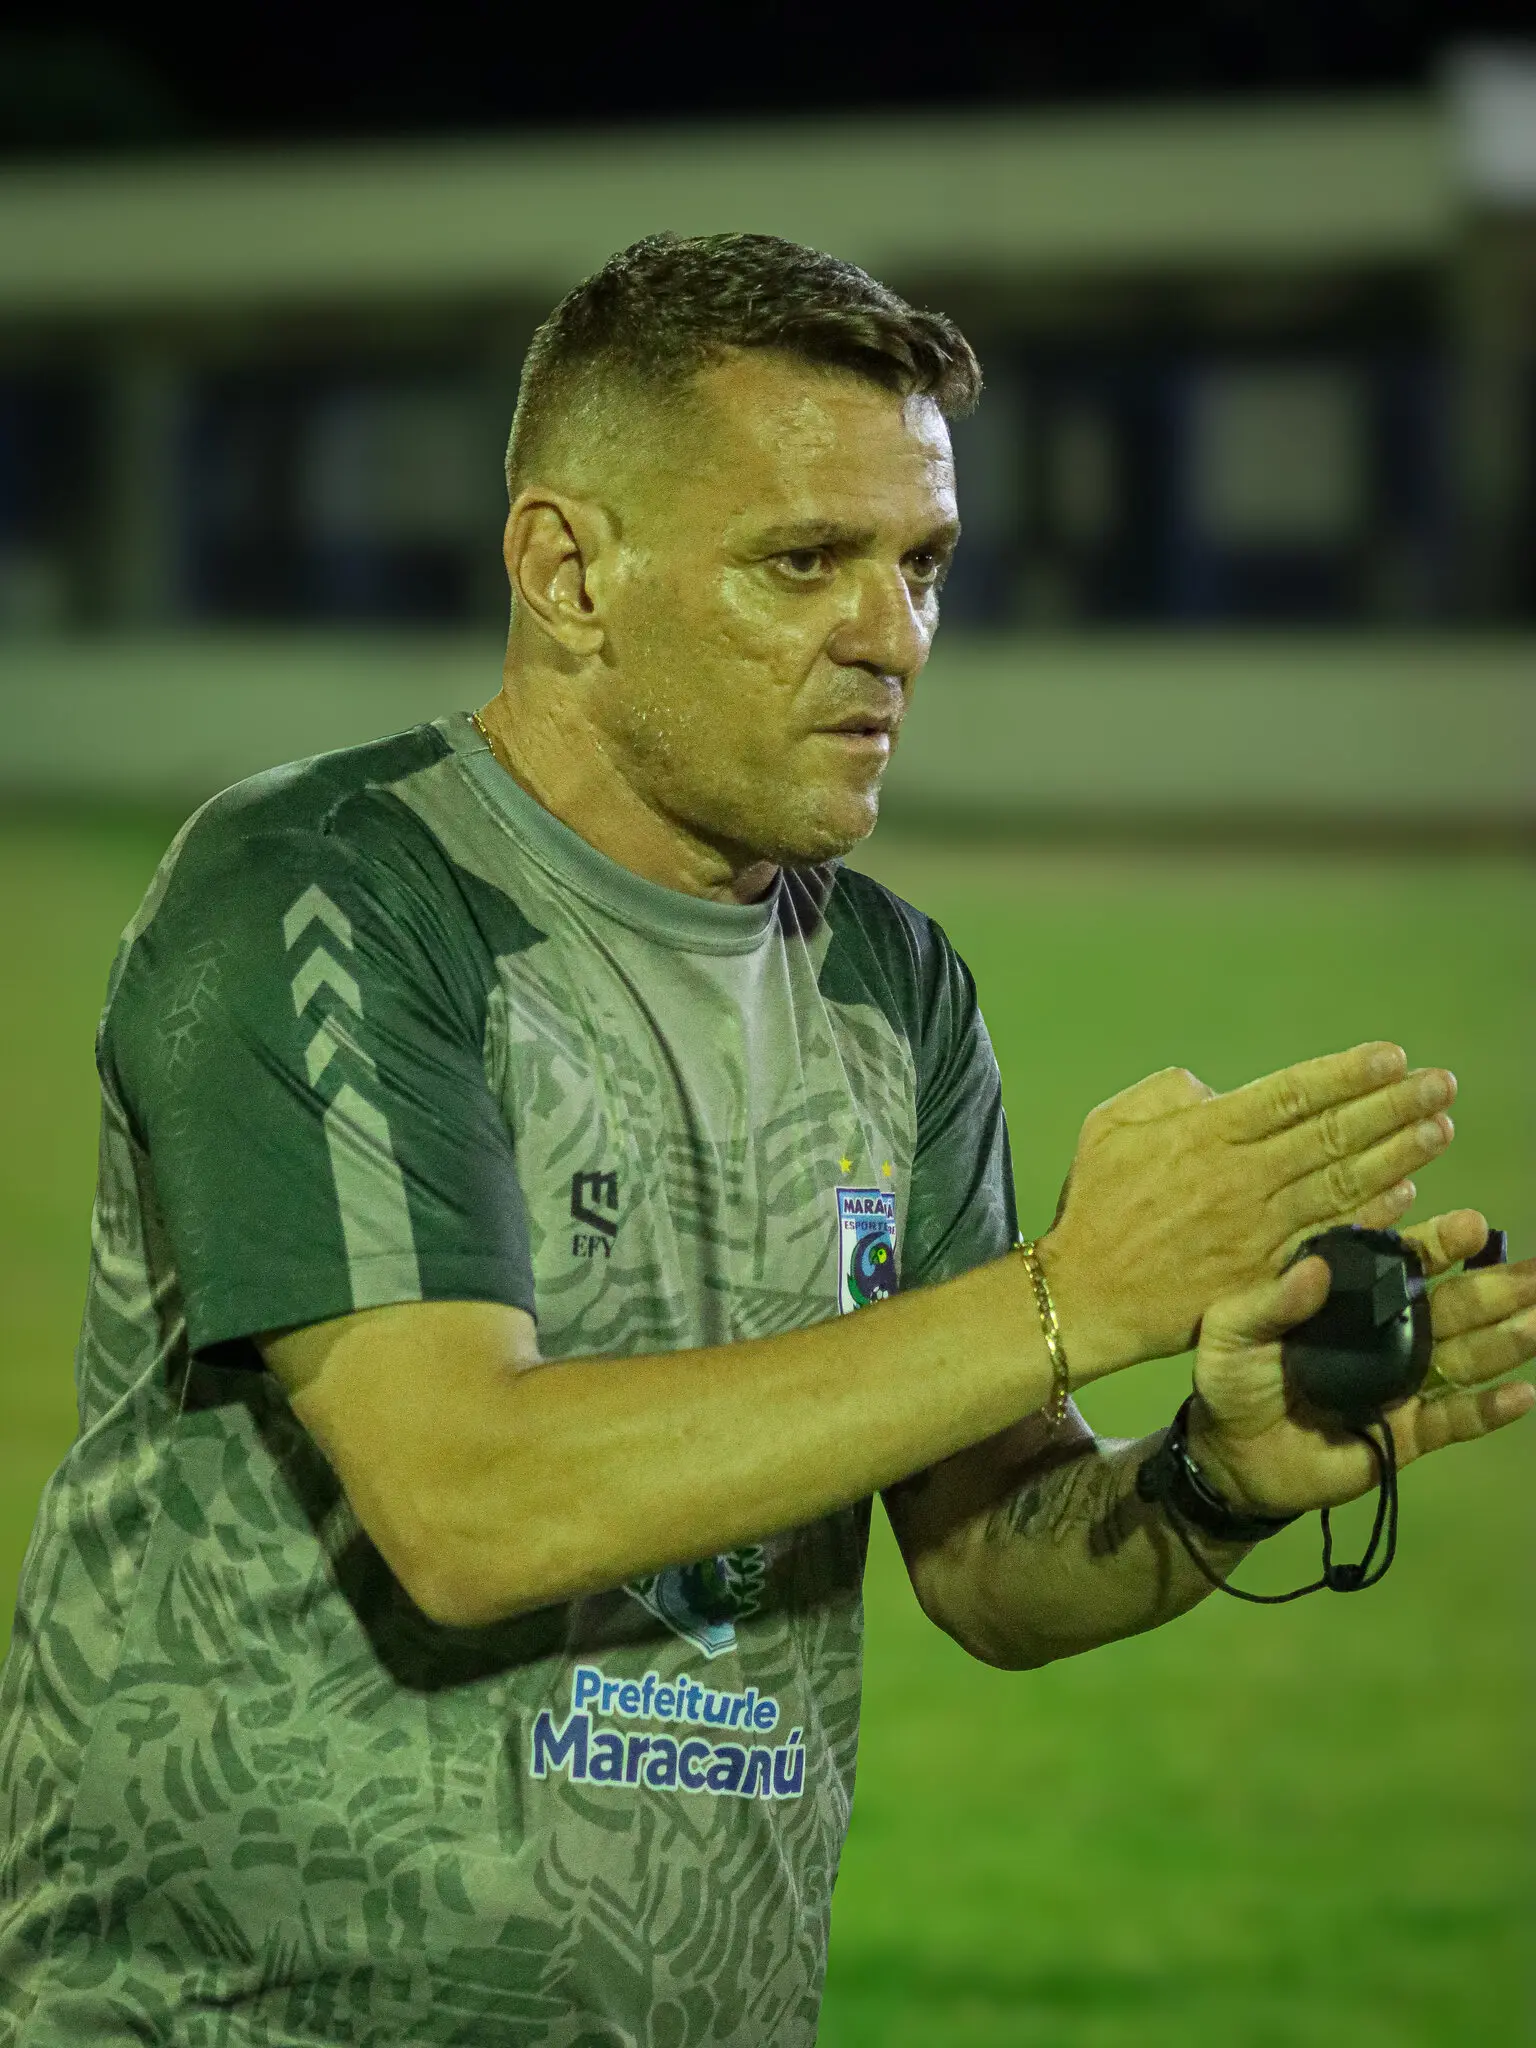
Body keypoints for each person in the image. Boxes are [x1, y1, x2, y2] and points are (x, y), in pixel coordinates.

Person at [1, 233, 1530, 2048]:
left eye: (924, 565)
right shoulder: (328, 892)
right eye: (805, 561)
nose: (891, 636)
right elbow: (467, 1502)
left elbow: (985, 1552)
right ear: (568, 570)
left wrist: (1211, 1477)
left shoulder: (893, 987)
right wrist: (1073, 1288)